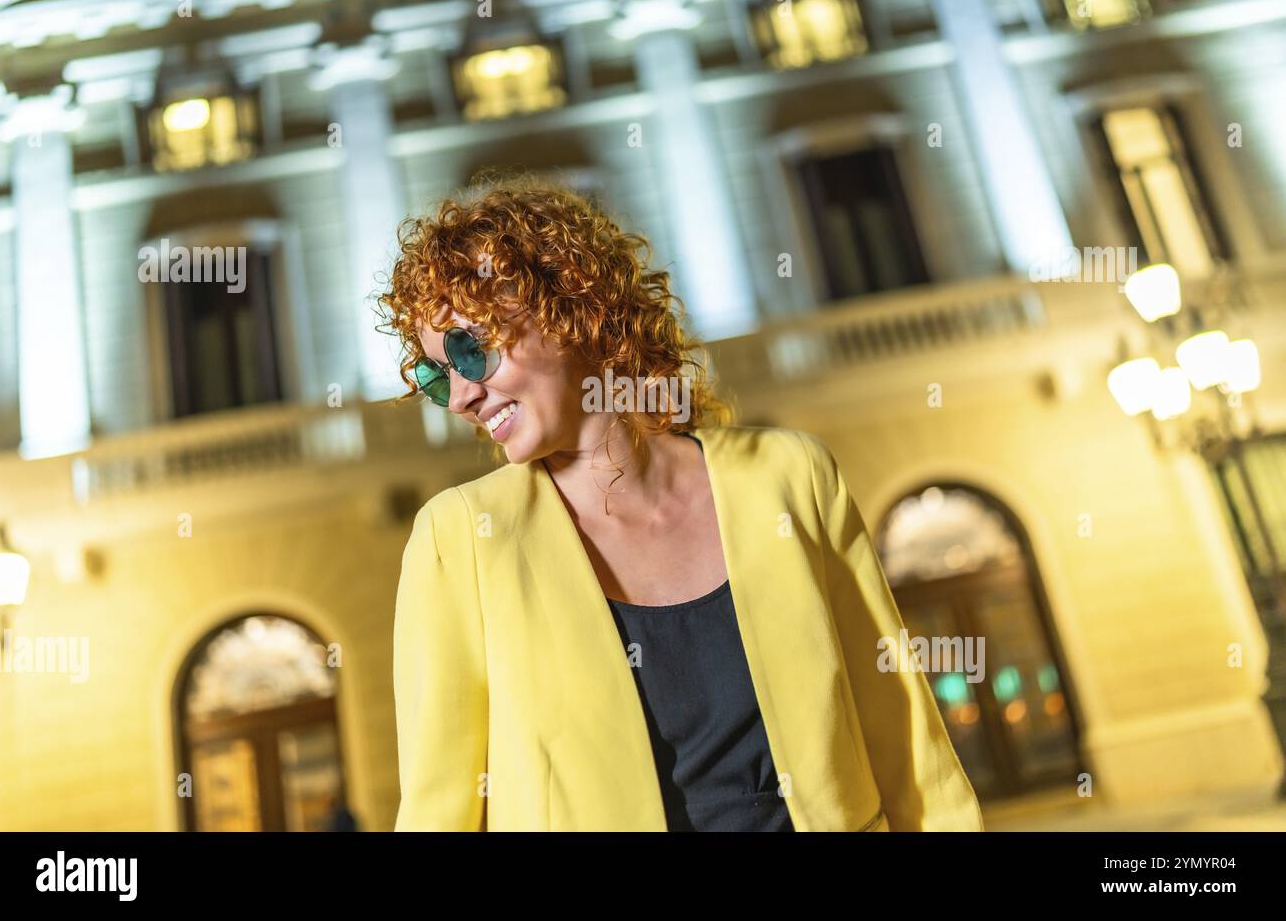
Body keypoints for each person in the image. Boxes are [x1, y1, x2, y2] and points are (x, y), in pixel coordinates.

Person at [381, 175, 983, 832]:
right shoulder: (461, 539)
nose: (461, 396)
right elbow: (440, 811)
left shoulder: (791, 477)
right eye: (438, 377)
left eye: (472, 351)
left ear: (570, 305)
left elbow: (907, 743)